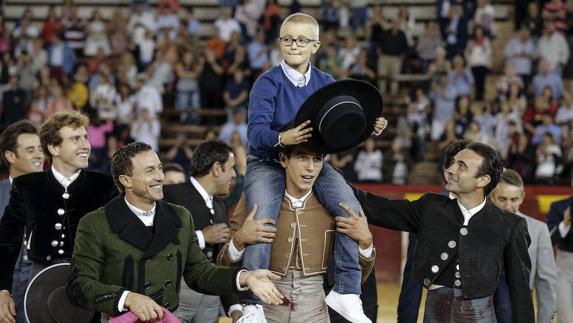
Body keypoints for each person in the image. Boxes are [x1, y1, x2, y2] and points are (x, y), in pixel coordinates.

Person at [245, 12, 385, 322]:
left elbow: (338, 134)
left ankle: (346, 291)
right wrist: (284, 137)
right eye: (288, 39)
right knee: (262, 213)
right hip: (267, 161)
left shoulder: (326, 83)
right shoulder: (267, 82)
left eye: (302, 40)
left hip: (312, 161)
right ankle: (252, 302)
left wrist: (367, 128)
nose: (294, 45)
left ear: (316, 45)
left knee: (349, 206)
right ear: (280, 42)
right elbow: (255, 133)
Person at [67, 142, 283, 322]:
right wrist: (129, 298)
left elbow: (200, 273)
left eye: (159, 168)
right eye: (150, 171)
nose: (160, 176)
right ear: (126, 181)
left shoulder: (180, 216)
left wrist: (245, 277)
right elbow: (80, 285)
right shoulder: (96, 223)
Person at [352, 142, 534, 322]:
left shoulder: (510, 225)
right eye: (453, 163)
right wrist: (329, 173)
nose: (450, 170)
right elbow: (376, 207)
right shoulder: (431, 207)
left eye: (461, 166)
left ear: (483, 180)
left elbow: (520, 293)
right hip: (434, 314)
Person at [218, 143, 375, 322]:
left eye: (317, 159)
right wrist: (238, 241)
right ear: (284, 160)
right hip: (263, 309)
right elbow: (223, 267)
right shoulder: (256, 199)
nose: (310, 167)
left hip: (315, 309)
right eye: (302, 157)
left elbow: (357, 275)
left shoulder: (335, 203)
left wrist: (366, 243)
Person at [0, 111, 118, 323]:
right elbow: (6, 242)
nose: (86, 145)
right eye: (75, 139)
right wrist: (2, 290)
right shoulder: (27, 186)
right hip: (39, 285)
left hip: (90, 284)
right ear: (53, 148)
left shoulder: (105, 185)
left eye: (85, 137)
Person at [162, 141, 246, 323]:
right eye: (231, 168)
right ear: (217, 168)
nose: (234, 174)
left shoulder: (220, 205)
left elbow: (220, 264)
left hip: (211, 300)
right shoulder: (168, 194)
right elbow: (154, 242)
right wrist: (201, 237)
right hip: (175, 295)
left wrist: (233, 305)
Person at [490, 169, 557, 323]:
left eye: (514, 199)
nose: (508, 206)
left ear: (522, 197)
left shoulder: (539, 230)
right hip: (482, 310)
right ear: (492, 197)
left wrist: (545, 320)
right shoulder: (478, 227)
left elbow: (547, 284)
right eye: (502, 199)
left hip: (520, 310)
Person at [0, 121, 44, 323]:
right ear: (10, 156)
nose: (39, 155)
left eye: (40, 149)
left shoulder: (59, 193)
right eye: (30, 150)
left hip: (45, 295)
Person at [546, 181, 573, 323]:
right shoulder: (559, 207)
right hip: (565, 266)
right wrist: (565, 222)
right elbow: (549, 240)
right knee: (566, 318)